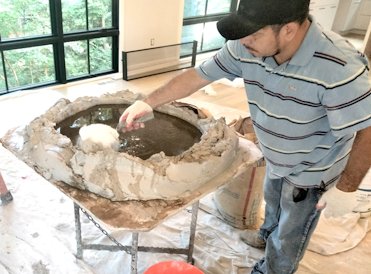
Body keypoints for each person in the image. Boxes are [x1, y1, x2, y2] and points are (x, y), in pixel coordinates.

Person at [118, 0, 371, 273]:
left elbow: (367, 128)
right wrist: (149, 102)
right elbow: (198, 76)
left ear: (288, 30)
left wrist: (347, 187)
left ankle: (273, 268)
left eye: (254, 33)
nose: (244, 40)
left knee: (290, 232)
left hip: (313, 171)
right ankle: (266, 236)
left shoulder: (340, 66)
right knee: (272, 200)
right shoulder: (246, 47)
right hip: (275, 153)